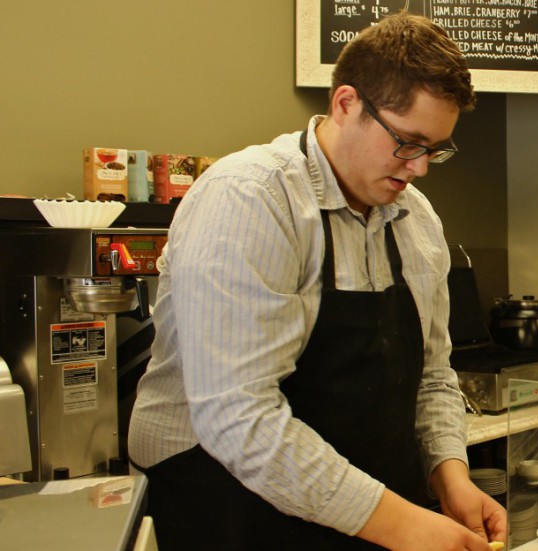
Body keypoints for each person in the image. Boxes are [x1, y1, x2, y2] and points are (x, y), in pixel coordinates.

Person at [127, 13, 506, 550]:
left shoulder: (416, 219)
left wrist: (451, 475)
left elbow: (431, 375)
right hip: (231, 500)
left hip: (361, 499)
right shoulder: (250, 198)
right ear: (346, 103)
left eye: (435, 150)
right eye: (407, 143)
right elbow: (240, 418)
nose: (421, 169)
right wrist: (406, 525)